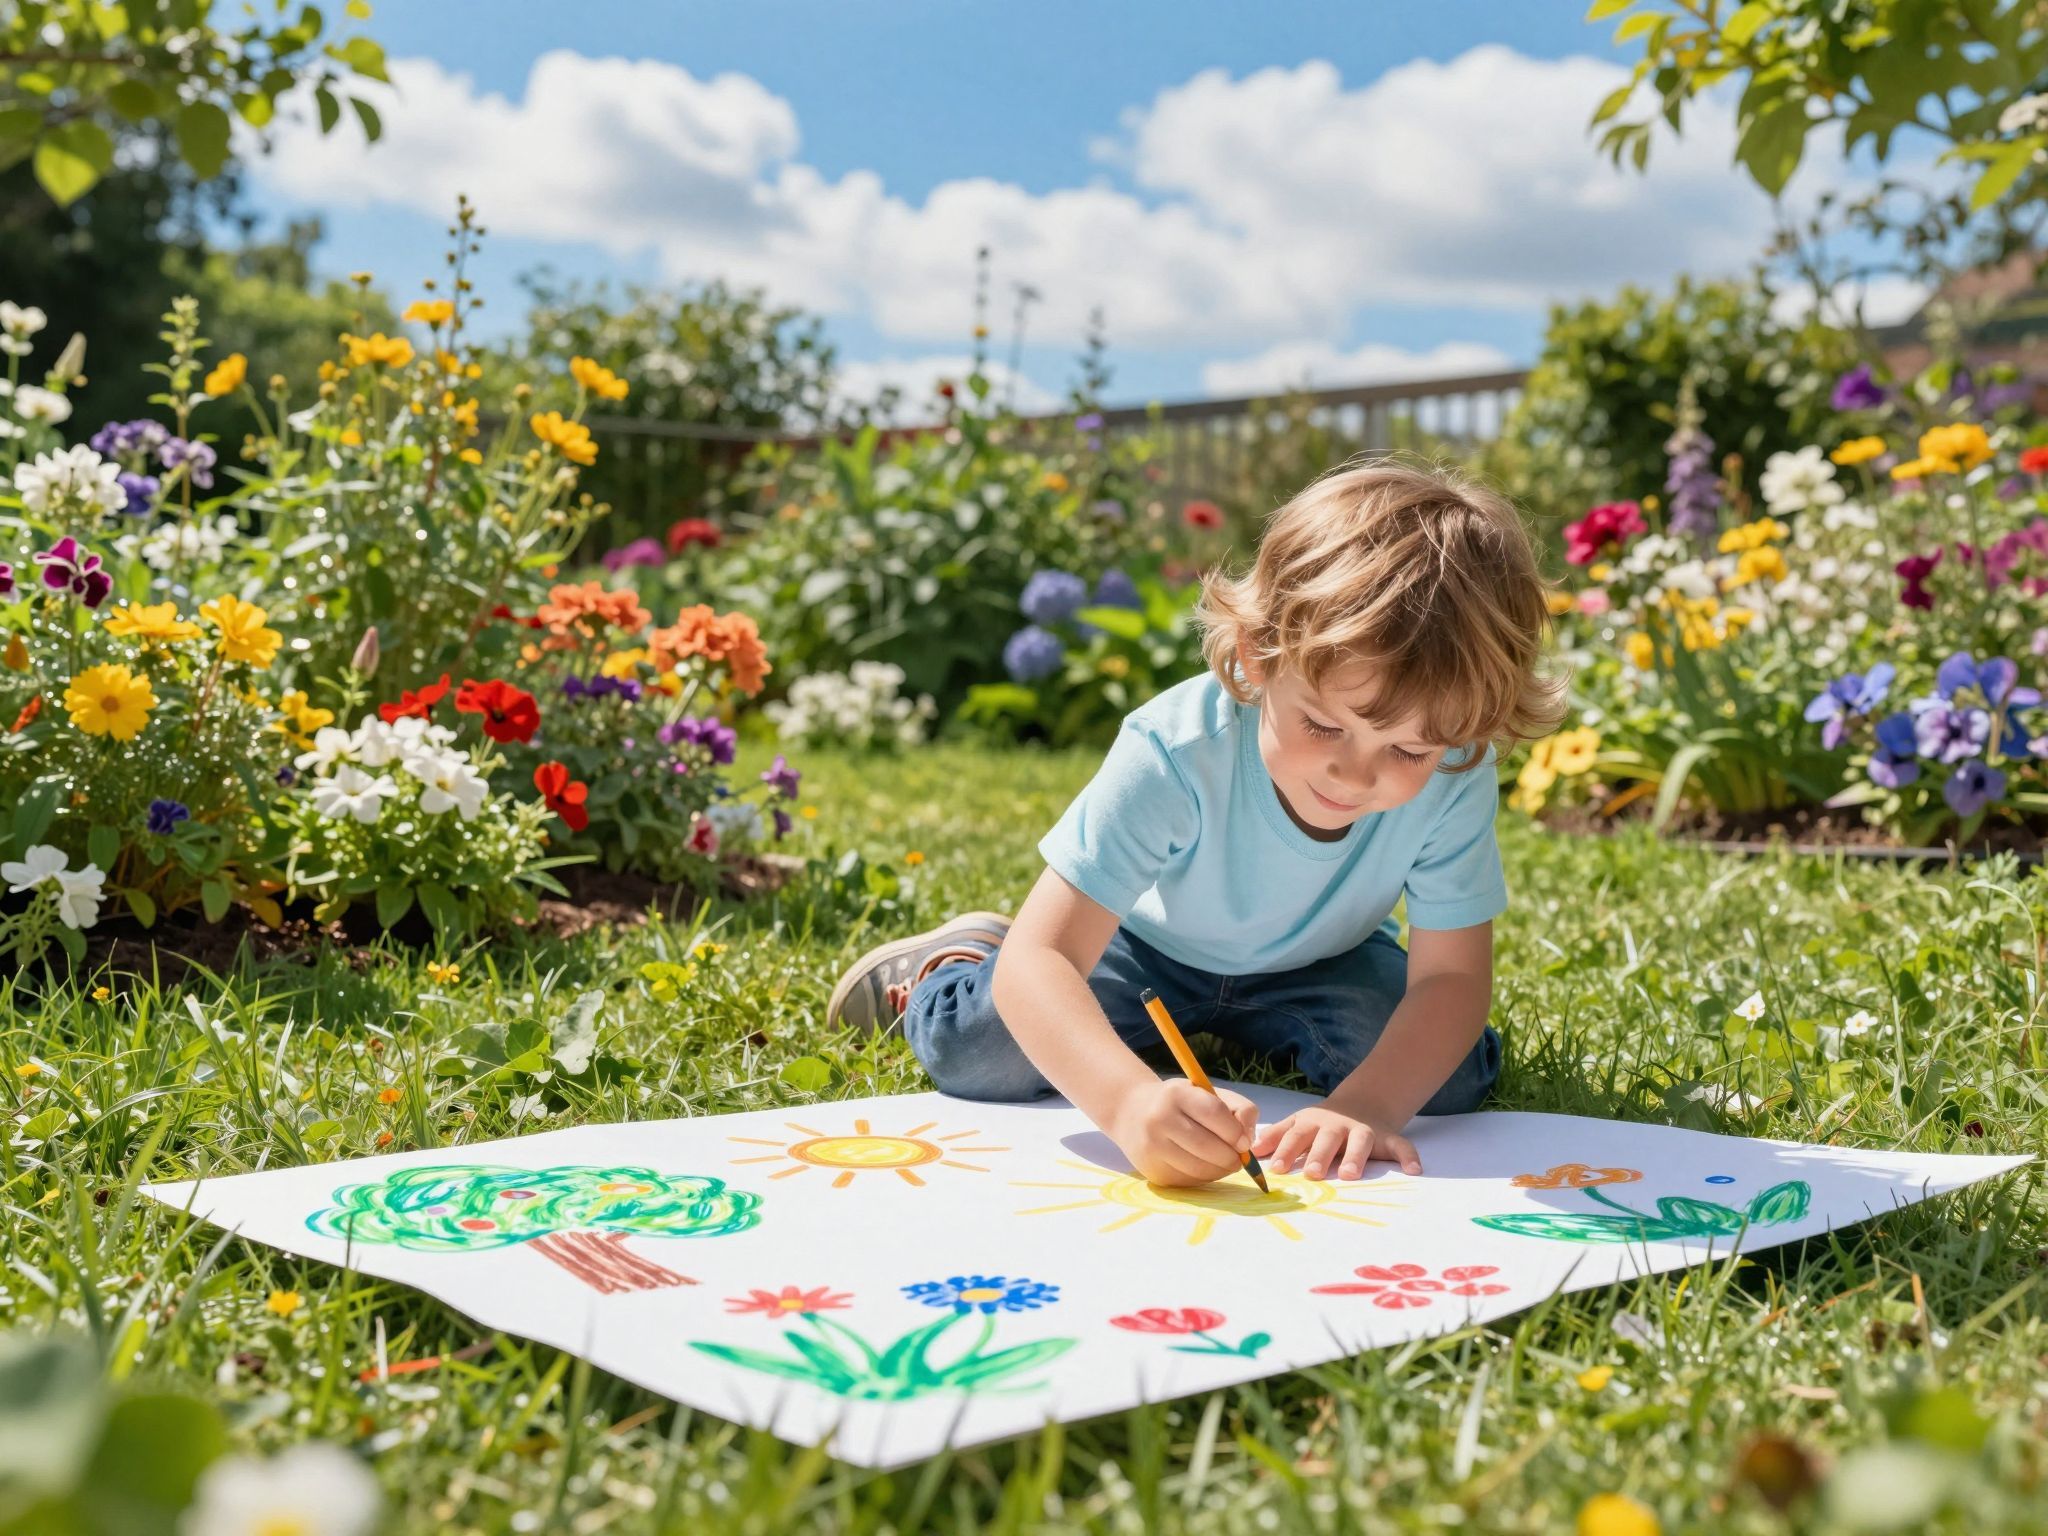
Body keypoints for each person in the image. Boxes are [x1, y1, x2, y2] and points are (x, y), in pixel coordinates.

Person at [826, 458, 1567, 1187]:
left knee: (1450, 1083)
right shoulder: (1177, 751)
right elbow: (1042, 963)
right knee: (983, 1052)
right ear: (1258, 656)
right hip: (1143, 948)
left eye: (1407, 747)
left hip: (1322, 963)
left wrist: (1367, 1107)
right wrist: (1128, 1104)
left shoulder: (1453, 771)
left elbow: (1452, 981)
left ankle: (1260, 1031)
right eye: (1322, 725)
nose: (1357, 773)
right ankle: (947, 969)